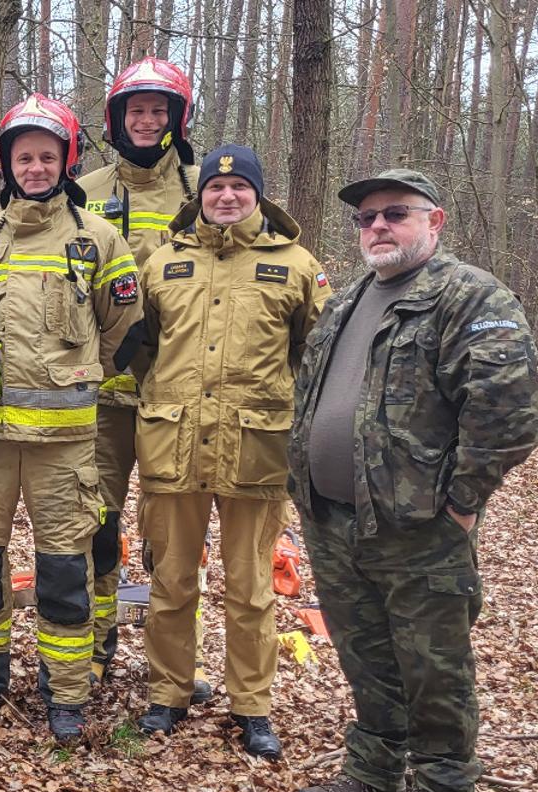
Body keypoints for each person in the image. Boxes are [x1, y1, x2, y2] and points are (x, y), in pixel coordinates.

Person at [290, 170, 538, 792]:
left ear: (434, 221)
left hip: (420, 528)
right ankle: (374, 772)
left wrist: (460, 503)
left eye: (394, 213)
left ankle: (442, 790)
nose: (377, 226)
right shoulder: (348, 301)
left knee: (434, 670)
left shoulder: (470, 298)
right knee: (366, 657)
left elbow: (508, 415)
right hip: (335, 522)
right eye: (366, 217)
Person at [0, 94, 141, 742]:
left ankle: (67, 695)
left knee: (64, 575)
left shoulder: (98, 240)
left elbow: (123, 335)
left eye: (46, 156)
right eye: (24, 156)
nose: (35, 166)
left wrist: (80, 378)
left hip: (65, 446)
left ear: (66, 161)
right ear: (8, 163)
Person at [132, 144, 330, 759]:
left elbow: (320, 354)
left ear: (257, 196)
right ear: (201, 198)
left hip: (256, 449)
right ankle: (168, 692)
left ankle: (253, 706)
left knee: (251, 588)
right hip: (175, 444)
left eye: (239, 188)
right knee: (170, 582)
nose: (226, 197)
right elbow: (139, 347)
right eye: (216, 190)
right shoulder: (162, 262)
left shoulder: (296, 265)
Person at [75, 57, 207, 695]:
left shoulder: (206, 187)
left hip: (173, 391)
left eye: (160, 110)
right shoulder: (85, 190)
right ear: (117, 119)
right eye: (137, 110)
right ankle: (96, 646)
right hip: (99, 391)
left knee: (170, 538)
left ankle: (170, 666)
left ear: (178, 118)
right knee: (92, 521)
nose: (148, 121)